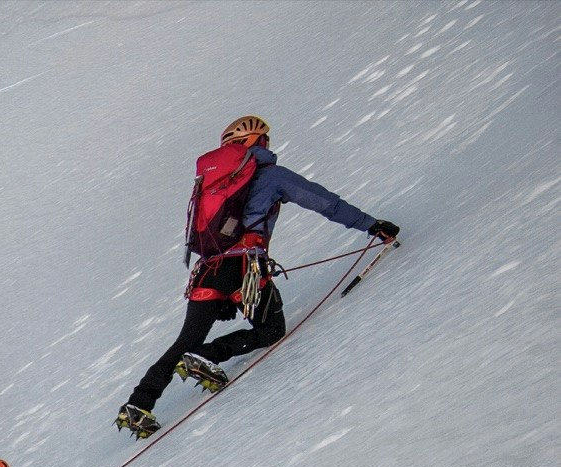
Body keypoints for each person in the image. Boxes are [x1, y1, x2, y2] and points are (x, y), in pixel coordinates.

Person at [118, 115, 397, 437]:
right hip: (246, 267)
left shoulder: (210, 184)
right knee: (270, 329)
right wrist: (371, 225)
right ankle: (206, 356)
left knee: (187, 337)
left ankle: (138, 405)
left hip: (208, 270)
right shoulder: (271, 175)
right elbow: (324, 203)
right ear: (258, 143)